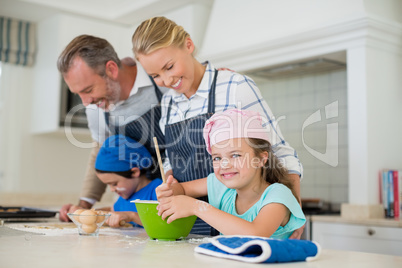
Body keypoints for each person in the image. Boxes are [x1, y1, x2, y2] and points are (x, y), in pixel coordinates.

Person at [132, 16, 303, 237]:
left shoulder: (234, 87)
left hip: (239, 220)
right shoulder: (168, 103)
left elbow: (279, 151)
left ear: (188, 45)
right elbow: (171, 157)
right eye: (155, 75)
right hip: (187, 224)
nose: (166, 81)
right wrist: (171, 180)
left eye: (169, 66)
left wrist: (294, 208)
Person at [57, 35, 168, 222]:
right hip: (134, 210)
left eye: (88, 90)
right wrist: (84, 207)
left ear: (111, 69)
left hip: (179, 200)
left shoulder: (163, 81)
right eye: (78, 95)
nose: (86, 103)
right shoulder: (96, 108)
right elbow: (101, 152)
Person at [156, 109, 305, 238]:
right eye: (217, 158)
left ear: (261, 159)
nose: (225, 165)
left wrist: (196, 207)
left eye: (235, 155)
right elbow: (182, 189)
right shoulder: (220, 185)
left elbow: (255, 234)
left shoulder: (278, 195)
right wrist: (169, 191)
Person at [94, 134, 162, 227]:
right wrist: (91, 213)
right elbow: (112, 211)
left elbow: (163, 223)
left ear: (134, 172)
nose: (112, 189)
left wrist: (132, 216)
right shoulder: (124, 198)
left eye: (114, 184)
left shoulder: (159, 190)